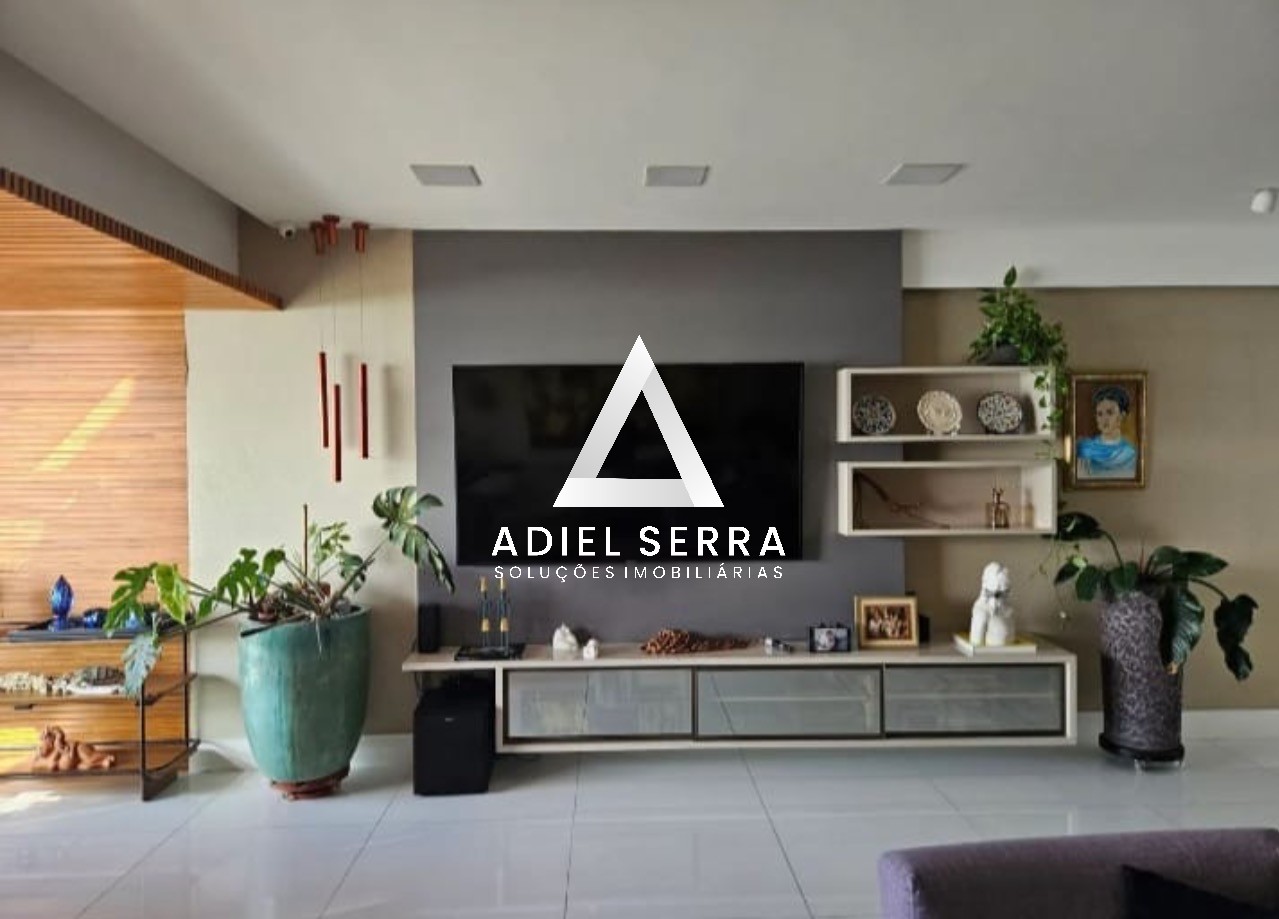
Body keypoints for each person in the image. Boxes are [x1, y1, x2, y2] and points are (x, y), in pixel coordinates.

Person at [1076, 385, 1138, 479]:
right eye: (1100, 414)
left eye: (1109, 412)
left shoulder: (1130, 454)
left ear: (1122, 415)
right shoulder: (1084, 448)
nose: (1104, 419)